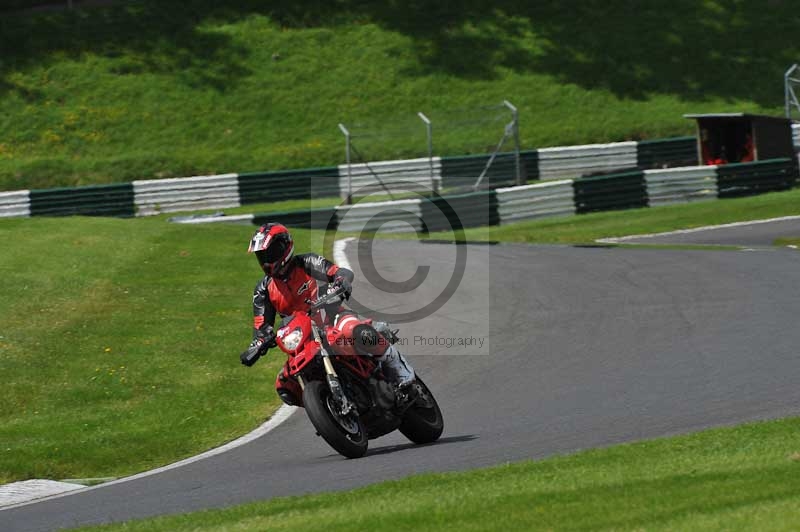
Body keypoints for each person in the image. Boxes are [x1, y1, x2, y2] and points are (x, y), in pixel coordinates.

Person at [239, 223, 415, 406]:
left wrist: (341, 281)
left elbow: (337, 272)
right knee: (285, 385)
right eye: (262, 256)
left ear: (285, 247)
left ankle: (398, 366)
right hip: (303, 339)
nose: (266, 261)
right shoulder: (263, 290)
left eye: (270, 253)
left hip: (332, 318)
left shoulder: (307, 263)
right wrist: (258, 344)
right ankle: (327, 406)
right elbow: (261, 327)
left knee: (354, 330)